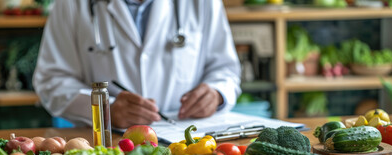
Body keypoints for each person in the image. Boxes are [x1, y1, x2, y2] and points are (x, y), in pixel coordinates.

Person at [33, 0, 241, 129]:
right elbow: (52, 80)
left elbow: (225, 69)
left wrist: (216, 94)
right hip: (108, 145)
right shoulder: (71, 4)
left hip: (188, 143)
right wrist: (105, 109)